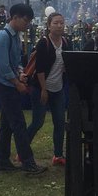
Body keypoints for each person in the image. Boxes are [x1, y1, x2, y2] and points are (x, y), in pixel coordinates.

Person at [0, 3, 47, 174]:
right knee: (18, 124)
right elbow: (3, 66)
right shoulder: (3, 36)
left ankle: (2, 160)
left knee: (7, 124)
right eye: (25, 20)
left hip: (11, 83)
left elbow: (15, 61)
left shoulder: (15, 35)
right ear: (14, 17)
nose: (27, 24)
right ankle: (28, 162)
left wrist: (21, 73)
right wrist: (17, 83)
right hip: (5, 86)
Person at [26, 11, 72, 165]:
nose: (59, 26)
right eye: (55, 23)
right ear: (48, 26)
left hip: (58, 88)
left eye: (61, 23)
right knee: (38, 122)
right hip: (41, 88)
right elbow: (39, 69)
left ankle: (58, 155)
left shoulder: (66, 42)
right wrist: (44, 89)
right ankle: (23, 149)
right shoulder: (43, 43)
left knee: (59, 122)